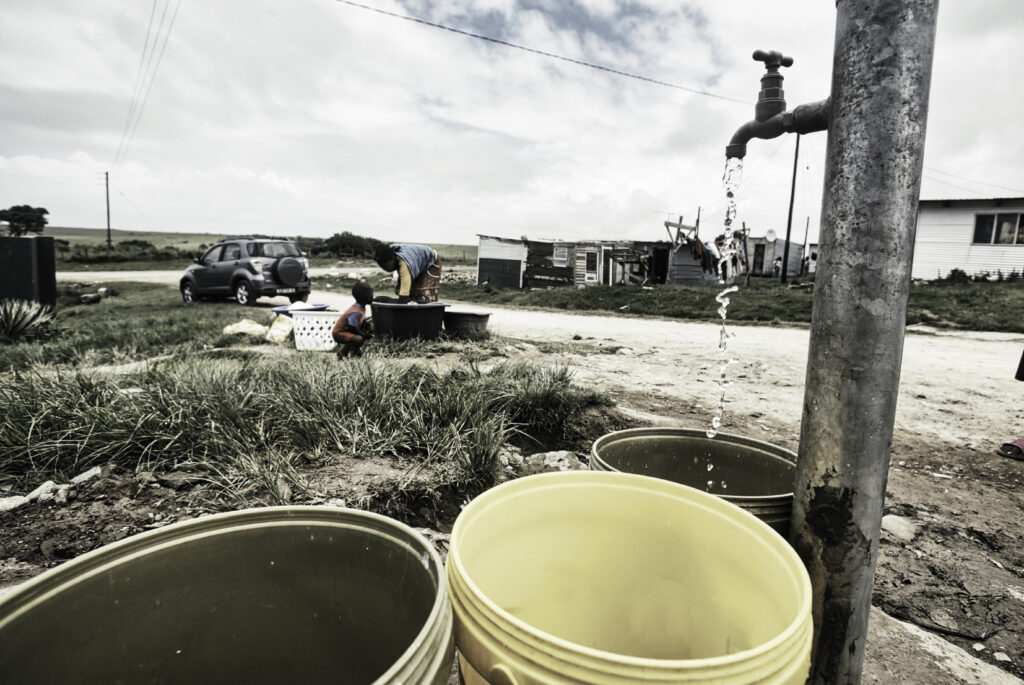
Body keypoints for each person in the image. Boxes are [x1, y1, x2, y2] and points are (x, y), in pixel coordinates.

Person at [374, 243, 442, 303]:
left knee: (423, 294)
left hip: (431, 261)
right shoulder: (386, 251)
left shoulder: (404, 263)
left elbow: (404, 293)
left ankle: (428, 315)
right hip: (416, 260)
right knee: (411, 292)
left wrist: (398, 312)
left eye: (386, 266)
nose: (385, 269)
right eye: (382, 266)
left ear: (393, 258)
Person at [332, 280, 374, 358]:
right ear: (365, 297)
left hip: (346, 331)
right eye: (371, 295)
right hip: (339, 333)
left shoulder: (361, 307)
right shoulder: (356, 311)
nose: (372, 297)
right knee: (358, 339)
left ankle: (346, 352)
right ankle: (352, 353)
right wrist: (363, 335)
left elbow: (361, 321)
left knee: (368, 328)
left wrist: (368, 325)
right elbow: (352, 327)